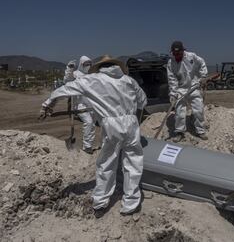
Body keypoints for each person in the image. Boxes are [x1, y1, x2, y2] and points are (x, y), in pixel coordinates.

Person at [40, 56, 147, 217]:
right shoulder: (129, 80)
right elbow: (143, 102)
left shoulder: (92, 80)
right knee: (133, 162)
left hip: (112, 125)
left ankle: (100, 203)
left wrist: (48, 104)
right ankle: (130, 203)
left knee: (107, 163)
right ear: (116, 66)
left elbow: (64, 89)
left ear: (100, 67)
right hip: (131, 123)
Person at [167, 41, 208, 142]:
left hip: (193, 86)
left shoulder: (191, 56)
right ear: (172, 52)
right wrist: (173, 94)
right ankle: (180, 132)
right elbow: (172, 80)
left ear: (183, 51)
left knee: (198, 110)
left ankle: (200, 130)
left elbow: (202, 63)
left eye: (179, 53)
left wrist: (203, 76)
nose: (177, 55)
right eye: (175, 54)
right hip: (181, 89)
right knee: (179, 111)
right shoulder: (170, 63)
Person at [64, 56, 96, 154]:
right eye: (86, 64)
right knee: (89, 122)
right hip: (80, 105)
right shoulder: (76, 74)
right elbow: (67, 80)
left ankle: (89, 145)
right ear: (81, 64)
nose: (88, 66)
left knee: (93, 125)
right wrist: (69, 68)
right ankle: (86, 146)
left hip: (91, 105)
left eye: (89, 64)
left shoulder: (92, 75)